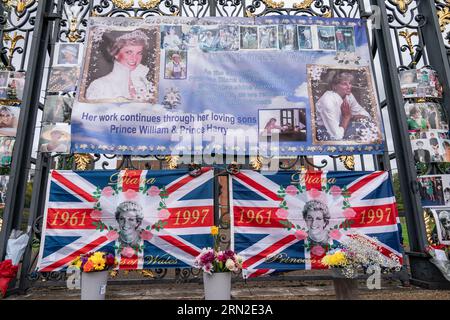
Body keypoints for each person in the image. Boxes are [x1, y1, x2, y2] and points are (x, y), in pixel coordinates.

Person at [85, 29, 153, 101]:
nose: (134, 58)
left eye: (139, 53)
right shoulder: (99, 85)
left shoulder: (143, 82)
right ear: (116, 54)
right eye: (129, 52)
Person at [315, 71, 371, 141]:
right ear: (334, 86)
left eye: (350, 83)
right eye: (344, 84)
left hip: (341, 127)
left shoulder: (348, 95)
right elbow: (336, 136)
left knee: (366, 127)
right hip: (326, 133)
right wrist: (346, 117)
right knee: (361, 131)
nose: (349, 87)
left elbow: (366, 115)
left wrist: (352, 116)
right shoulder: (327, 101)